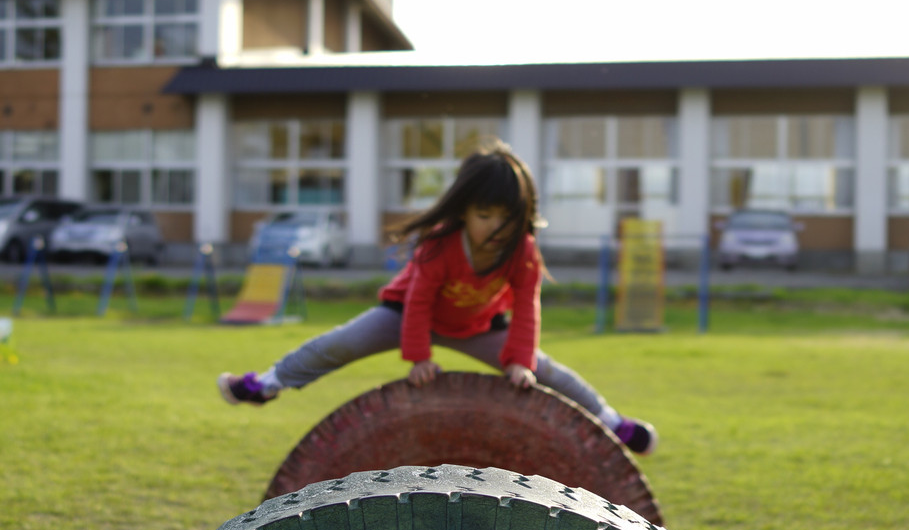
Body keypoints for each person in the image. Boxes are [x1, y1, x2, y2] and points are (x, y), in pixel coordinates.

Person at [217, 140, 657, 455]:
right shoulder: (440, 244)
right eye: (484, 215)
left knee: (549, 372)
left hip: (477, 326)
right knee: (341, 343)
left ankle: (615, 424)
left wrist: (519, 361)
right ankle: (266, 383)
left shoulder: (522, 250)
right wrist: (419, 357)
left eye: (507, 217)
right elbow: (418, 303)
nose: (496, 228)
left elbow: (527, 306)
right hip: (407, 316)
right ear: (463, 211)